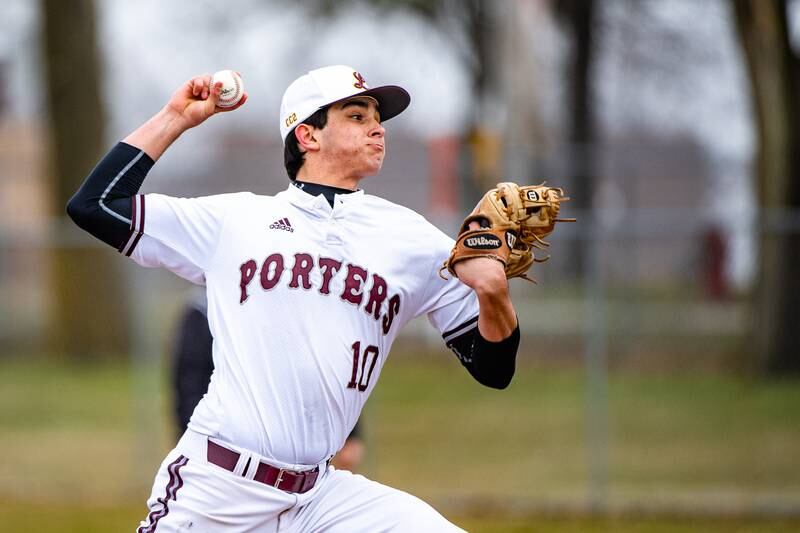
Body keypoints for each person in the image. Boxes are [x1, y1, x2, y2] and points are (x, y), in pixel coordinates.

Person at [67, 65, 520, 532]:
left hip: (320, 497)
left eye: (377, 117)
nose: (377, 127)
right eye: (356, 114)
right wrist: (176, 117)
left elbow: (493, 368)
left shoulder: (414, 240)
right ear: (307, 134)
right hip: (219, 490)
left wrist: (494, 293)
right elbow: (95, 205)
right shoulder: (235, 221)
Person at [171, 287, 366, 471]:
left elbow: (322, 371)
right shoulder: (204, 310)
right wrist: (195, 442)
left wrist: (351, 433)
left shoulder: (285, 304)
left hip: (293, 450)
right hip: (226, 446)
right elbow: (189, 384)